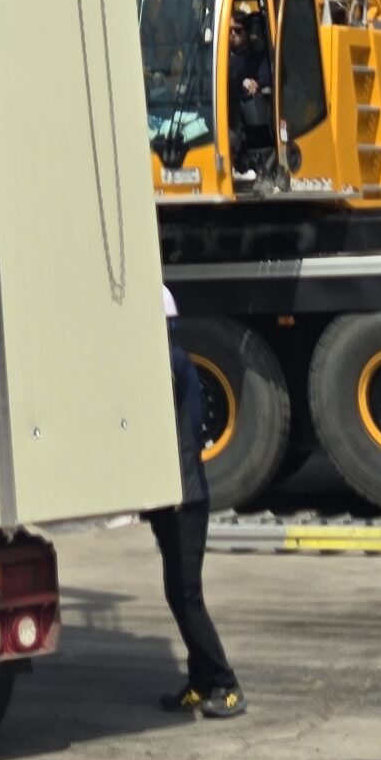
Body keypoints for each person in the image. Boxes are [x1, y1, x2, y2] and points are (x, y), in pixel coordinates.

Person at [149, 288, 245, 719]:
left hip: (183, 498)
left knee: (186, 597)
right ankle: (201, 682)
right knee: (179, 594)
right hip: (176, 496)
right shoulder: (172, 361)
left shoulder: (168, 364)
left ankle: (226, 684)